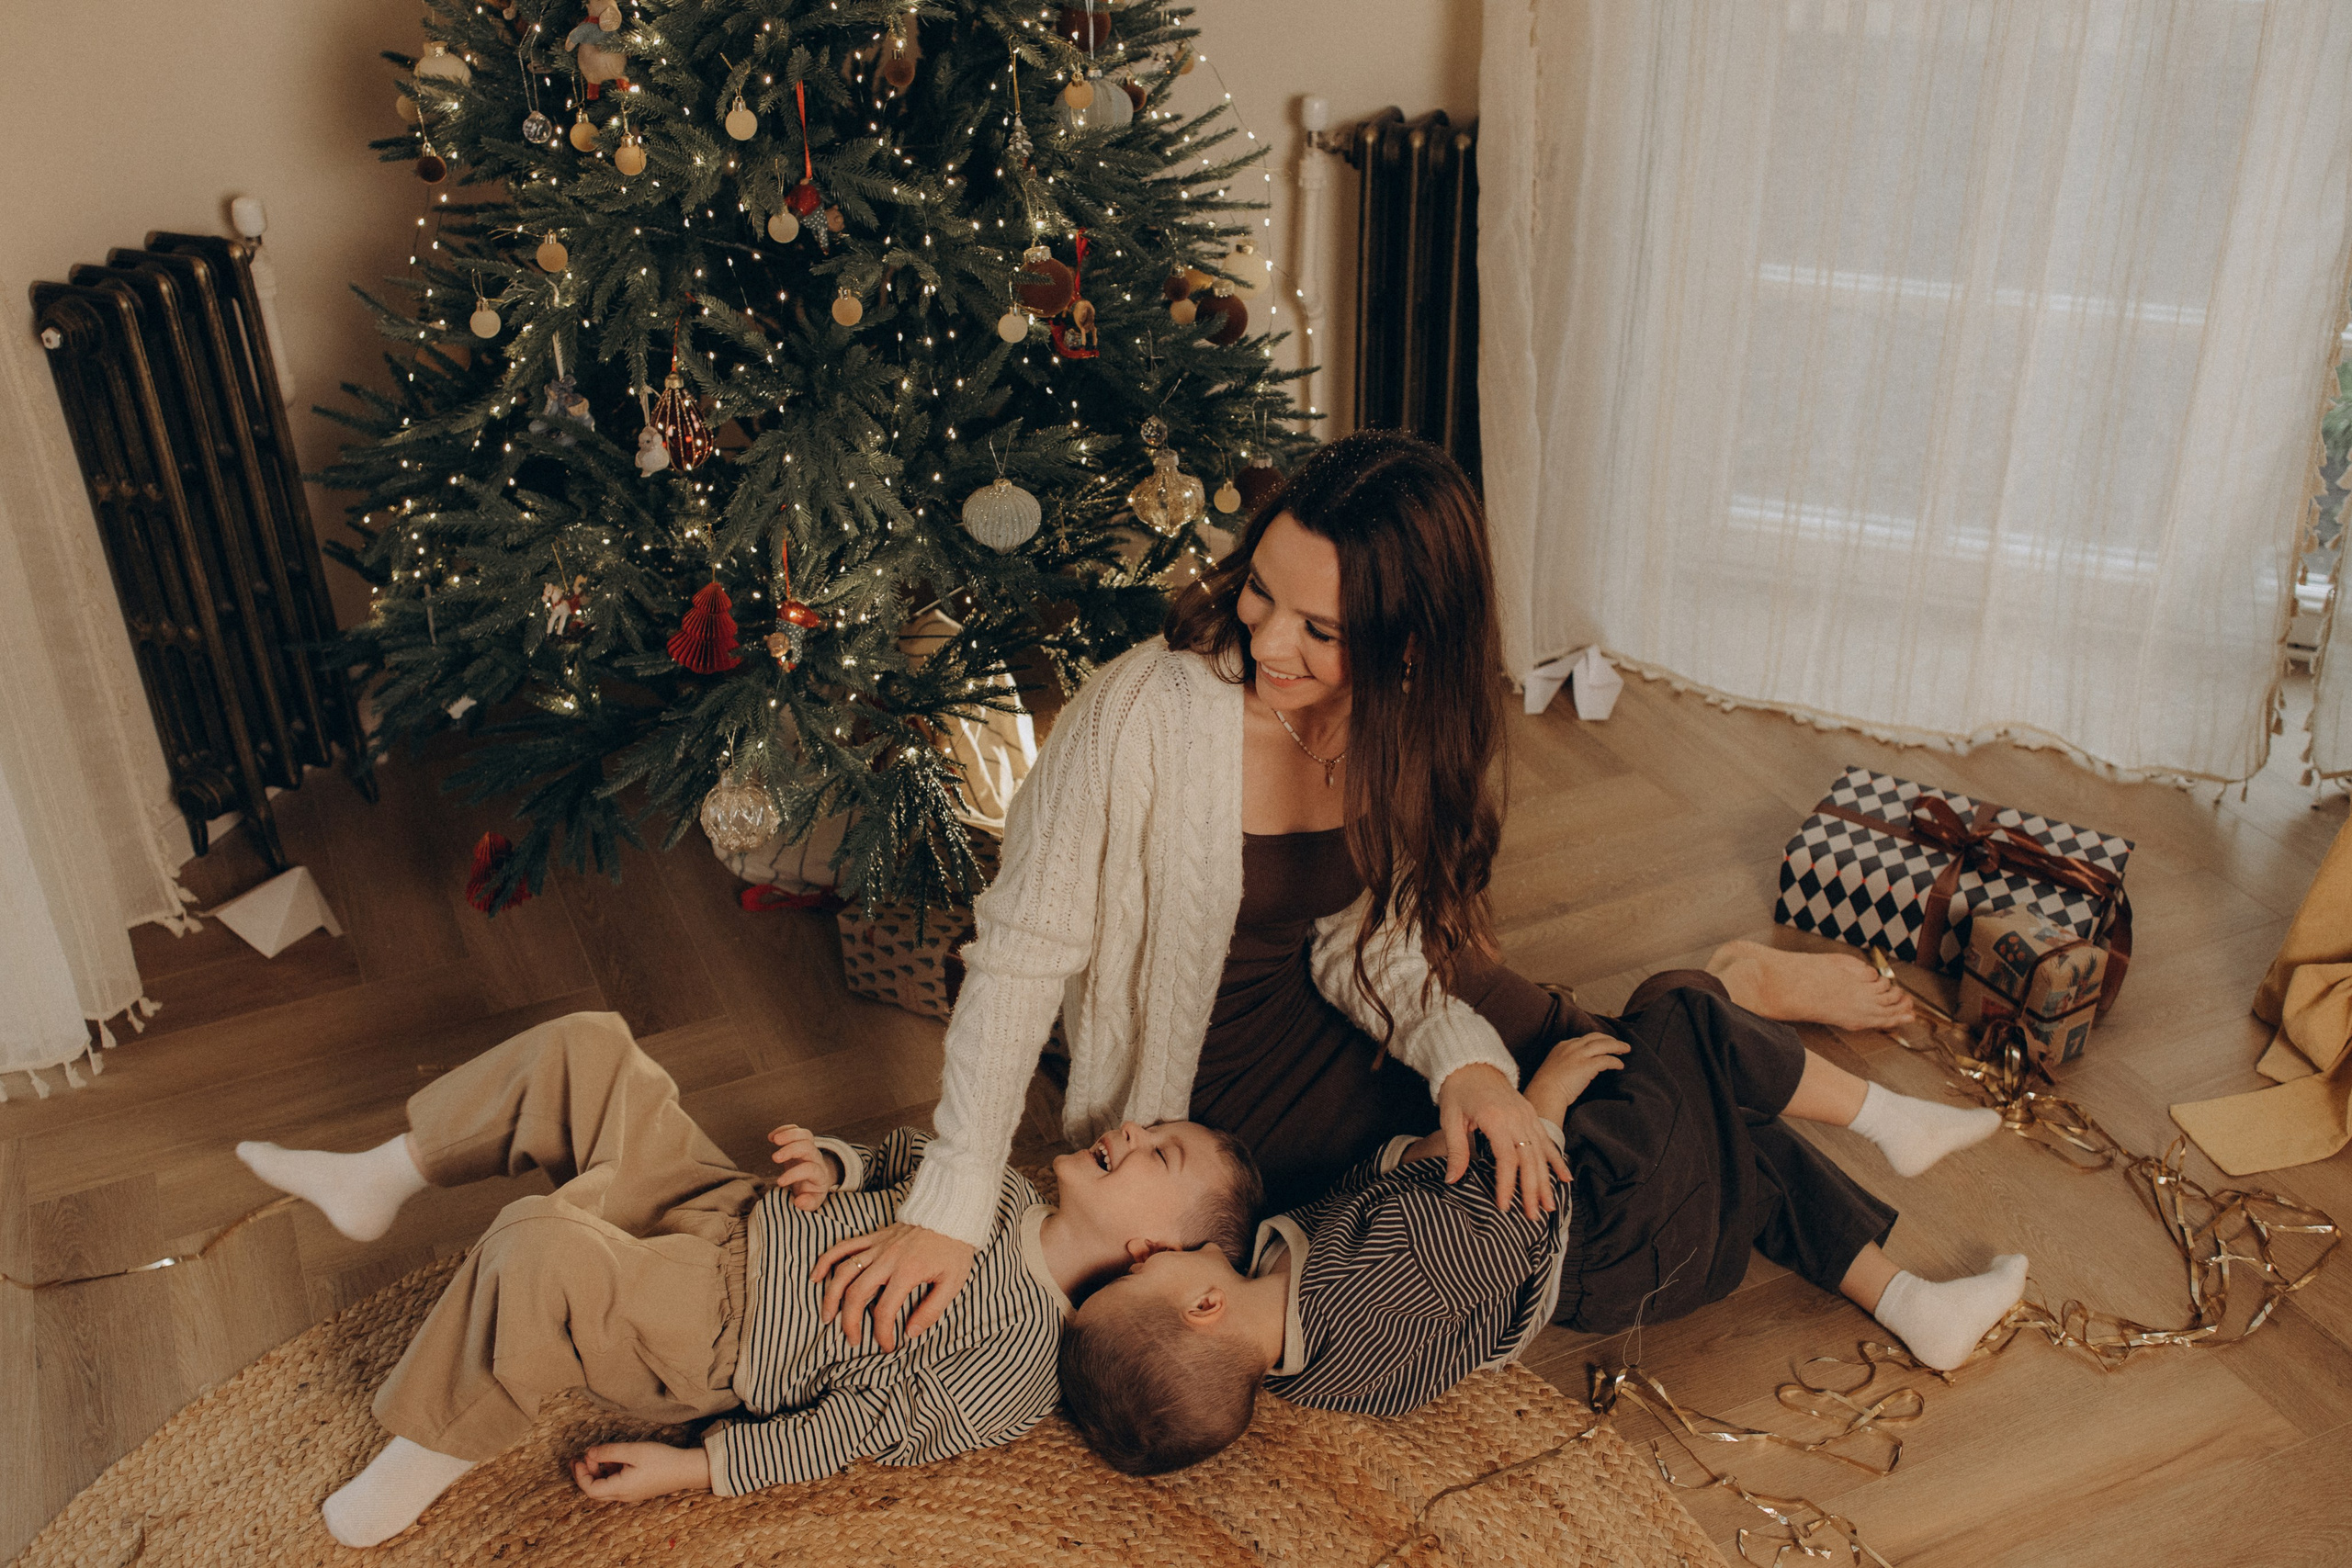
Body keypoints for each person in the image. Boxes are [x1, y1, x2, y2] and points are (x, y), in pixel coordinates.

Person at [819, 428, 1918, 1349]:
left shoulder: (1396, 726)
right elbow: (1015, 964)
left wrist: (1468, 1066)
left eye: (1319, 629)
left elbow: (1372, 949)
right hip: (1223, 1097)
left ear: (1407, 647)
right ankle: (1721, 1005)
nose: (1265, 640)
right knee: (1553, 1207)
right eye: (1259, 592)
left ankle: (1773, 1087)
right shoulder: (1140, 714)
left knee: (1580, 1081)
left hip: (1360, 1002)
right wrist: (951, 1210)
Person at [232, 1011, 1261, 1548]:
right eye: (1153, 1126)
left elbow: (852, 1429)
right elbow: (899, 1156)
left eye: (1159, 1154)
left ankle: (429, 1450)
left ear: (1153, 1255)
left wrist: (694, 1469)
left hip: (719, 1332)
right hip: (726, 1208)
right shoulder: (996, 1188)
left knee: (537, 1250)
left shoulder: (1014, 1365)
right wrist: (836, 1166)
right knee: (591, 1051)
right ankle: (382, 1175)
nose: (1131, 1129)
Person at [1059, 984, 2022, 1475]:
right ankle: (1887, 1118)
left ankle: (1911, 1304)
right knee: (1678, 1013)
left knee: (1747, 1157)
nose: (1150, 1249)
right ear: (1200, 1302)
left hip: (1594, 1253)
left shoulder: (1295, 1331)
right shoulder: (1354, 1296)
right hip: (1598, 1223)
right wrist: (1543, 1101)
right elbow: (1505, 1224)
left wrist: (1412, 1161)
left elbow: (1382, 1207)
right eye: (1144, 1269)